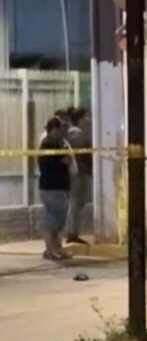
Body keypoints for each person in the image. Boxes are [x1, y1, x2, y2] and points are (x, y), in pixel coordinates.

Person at [38, 117, 72, 260]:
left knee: (59, 219)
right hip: (51, 187)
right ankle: (49, 249)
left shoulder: (59, 143)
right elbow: (53, 164)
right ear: (53, 129)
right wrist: (63, 160)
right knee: (52, 218)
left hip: (59, 186)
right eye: (59, 129)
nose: (61, 132)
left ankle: (57, 247)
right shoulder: (47, 145)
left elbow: (67, 160)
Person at [65, 107, 92, 245]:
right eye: (85, 117)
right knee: (75, 203)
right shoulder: (76, 134)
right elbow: (84, 154)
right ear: (80, 119)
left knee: (77, 203)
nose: (87, 120)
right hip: (78, 173)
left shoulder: (76, 134)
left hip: (80, 173)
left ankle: (73, 231)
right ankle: (72, 232)